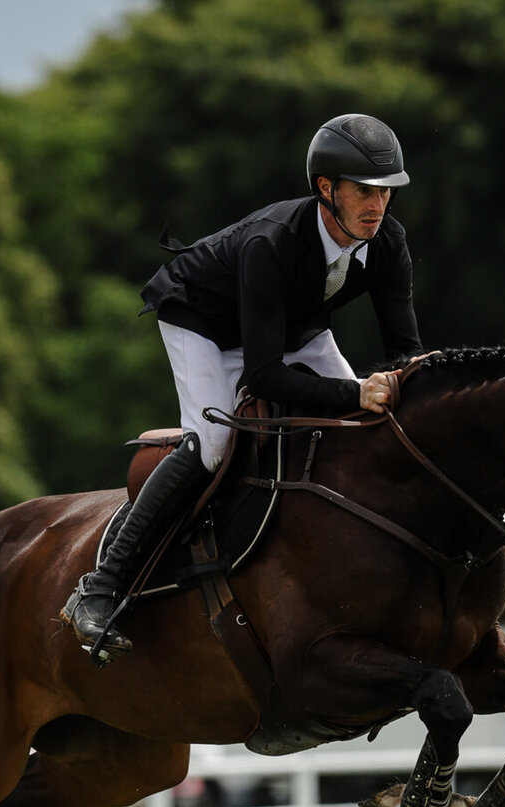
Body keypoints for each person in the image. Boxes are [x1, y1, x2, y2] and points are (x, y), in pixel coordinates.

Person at [63, 112, 423, 661]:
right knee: (210, 446)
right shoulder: (273, 242)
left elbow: (404, 353)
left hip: (291, 327)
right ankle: (100, 587)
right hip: (200, 320)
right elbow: (262, 377)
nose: (377, 206)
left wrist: (413, 384)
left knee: (371, 423)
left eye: (385, 193)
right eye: (363, 192)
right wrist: (354, 393)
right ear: (326, 189)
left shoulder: (388, 241)